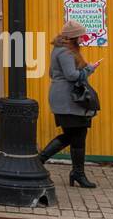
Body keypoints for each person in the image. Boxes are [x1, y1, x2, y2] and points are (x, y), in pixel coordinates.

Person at [39, 20, 102, 188]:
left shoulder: (61, 50)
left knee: (77, 135)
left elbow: (54, 72)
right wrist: (90, 68)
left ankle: (77, 173)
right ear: (74, 37)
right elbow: (72, 75)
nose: (83, 38)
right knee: (73, 135)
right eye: (81, 35)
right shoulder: (66, 52)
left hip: (67, 98)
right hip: (68, 98)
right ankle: (40, 161)